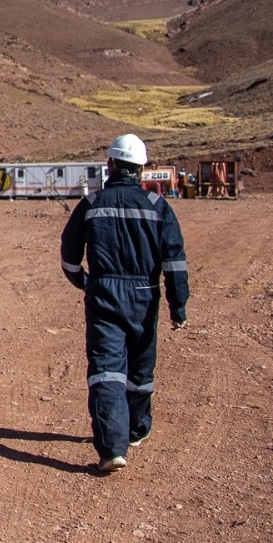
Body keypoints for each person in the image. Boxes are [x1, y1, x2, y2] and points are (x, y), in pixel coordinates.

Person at [60, 133, 190, 473]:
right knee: (140, 369)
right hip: (144, 296)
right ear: (142, 169)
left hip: (103, 294)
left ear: (111, 165)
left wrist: (85, 283)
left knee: (106, 369)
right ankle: (135, 430)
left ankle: (112, 447)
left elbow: (69, 257)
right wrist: (179, 306)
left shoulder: (91, 205)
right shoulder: (158, 207)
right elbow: (174, 260)